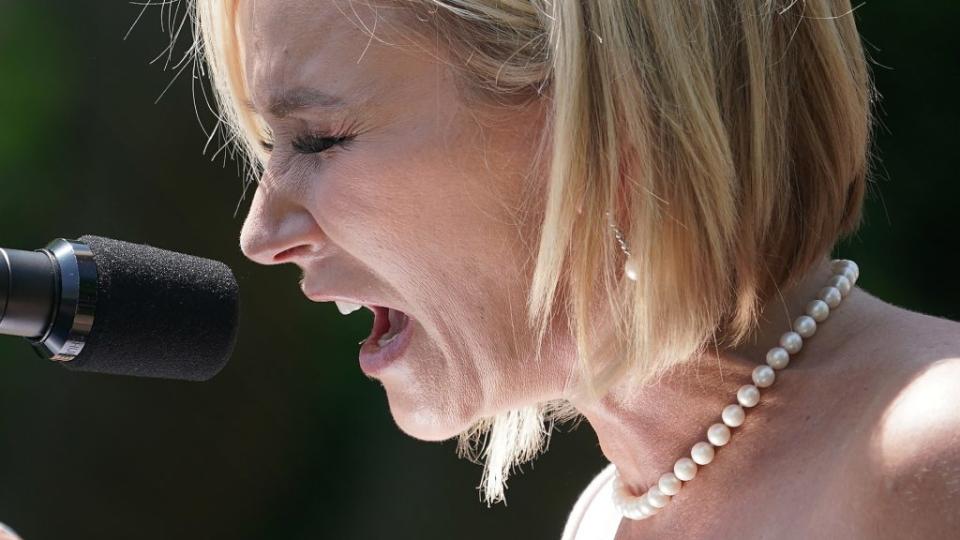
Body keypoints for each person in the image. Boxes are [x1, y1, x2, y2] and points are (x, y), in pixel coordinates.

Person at [192, 0, 960, 537]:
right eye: (268, 148)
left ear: (602, 108)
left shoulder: (929, 452)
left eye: (319, 139)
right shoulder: (610, 515)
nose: (261, 236)